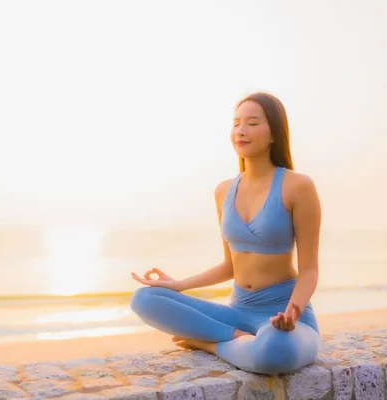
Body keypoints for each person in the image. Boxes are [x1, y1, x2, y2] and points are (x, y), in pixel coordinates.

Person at [129, 92, 321, 375]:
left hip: (284, 317)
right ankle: (236, 340)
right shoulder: (223, 191)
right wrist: (178, 285)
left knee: (273, 351)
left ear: (274, 134)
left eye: (253, 123)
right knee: (144, 299)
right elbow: (229, 265)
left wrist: (293, 310)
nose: (241, 131)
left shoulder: (298, 186)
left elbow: (309, 271)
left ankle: (209, 344)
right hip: (237, 312)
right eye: (236, 123)